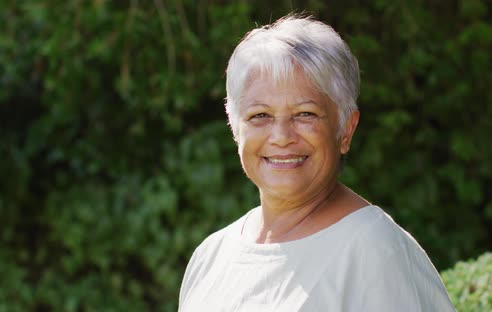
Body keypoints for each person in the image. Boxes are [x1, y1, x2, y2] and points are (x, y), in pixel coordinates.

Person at [178, 14, 455, 311]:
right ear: (235, 128)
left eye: (305, 114)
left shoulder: (374, 250)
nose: (281, 136)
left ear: (345, 129)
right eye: (260, 115)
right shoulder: (212, 255)